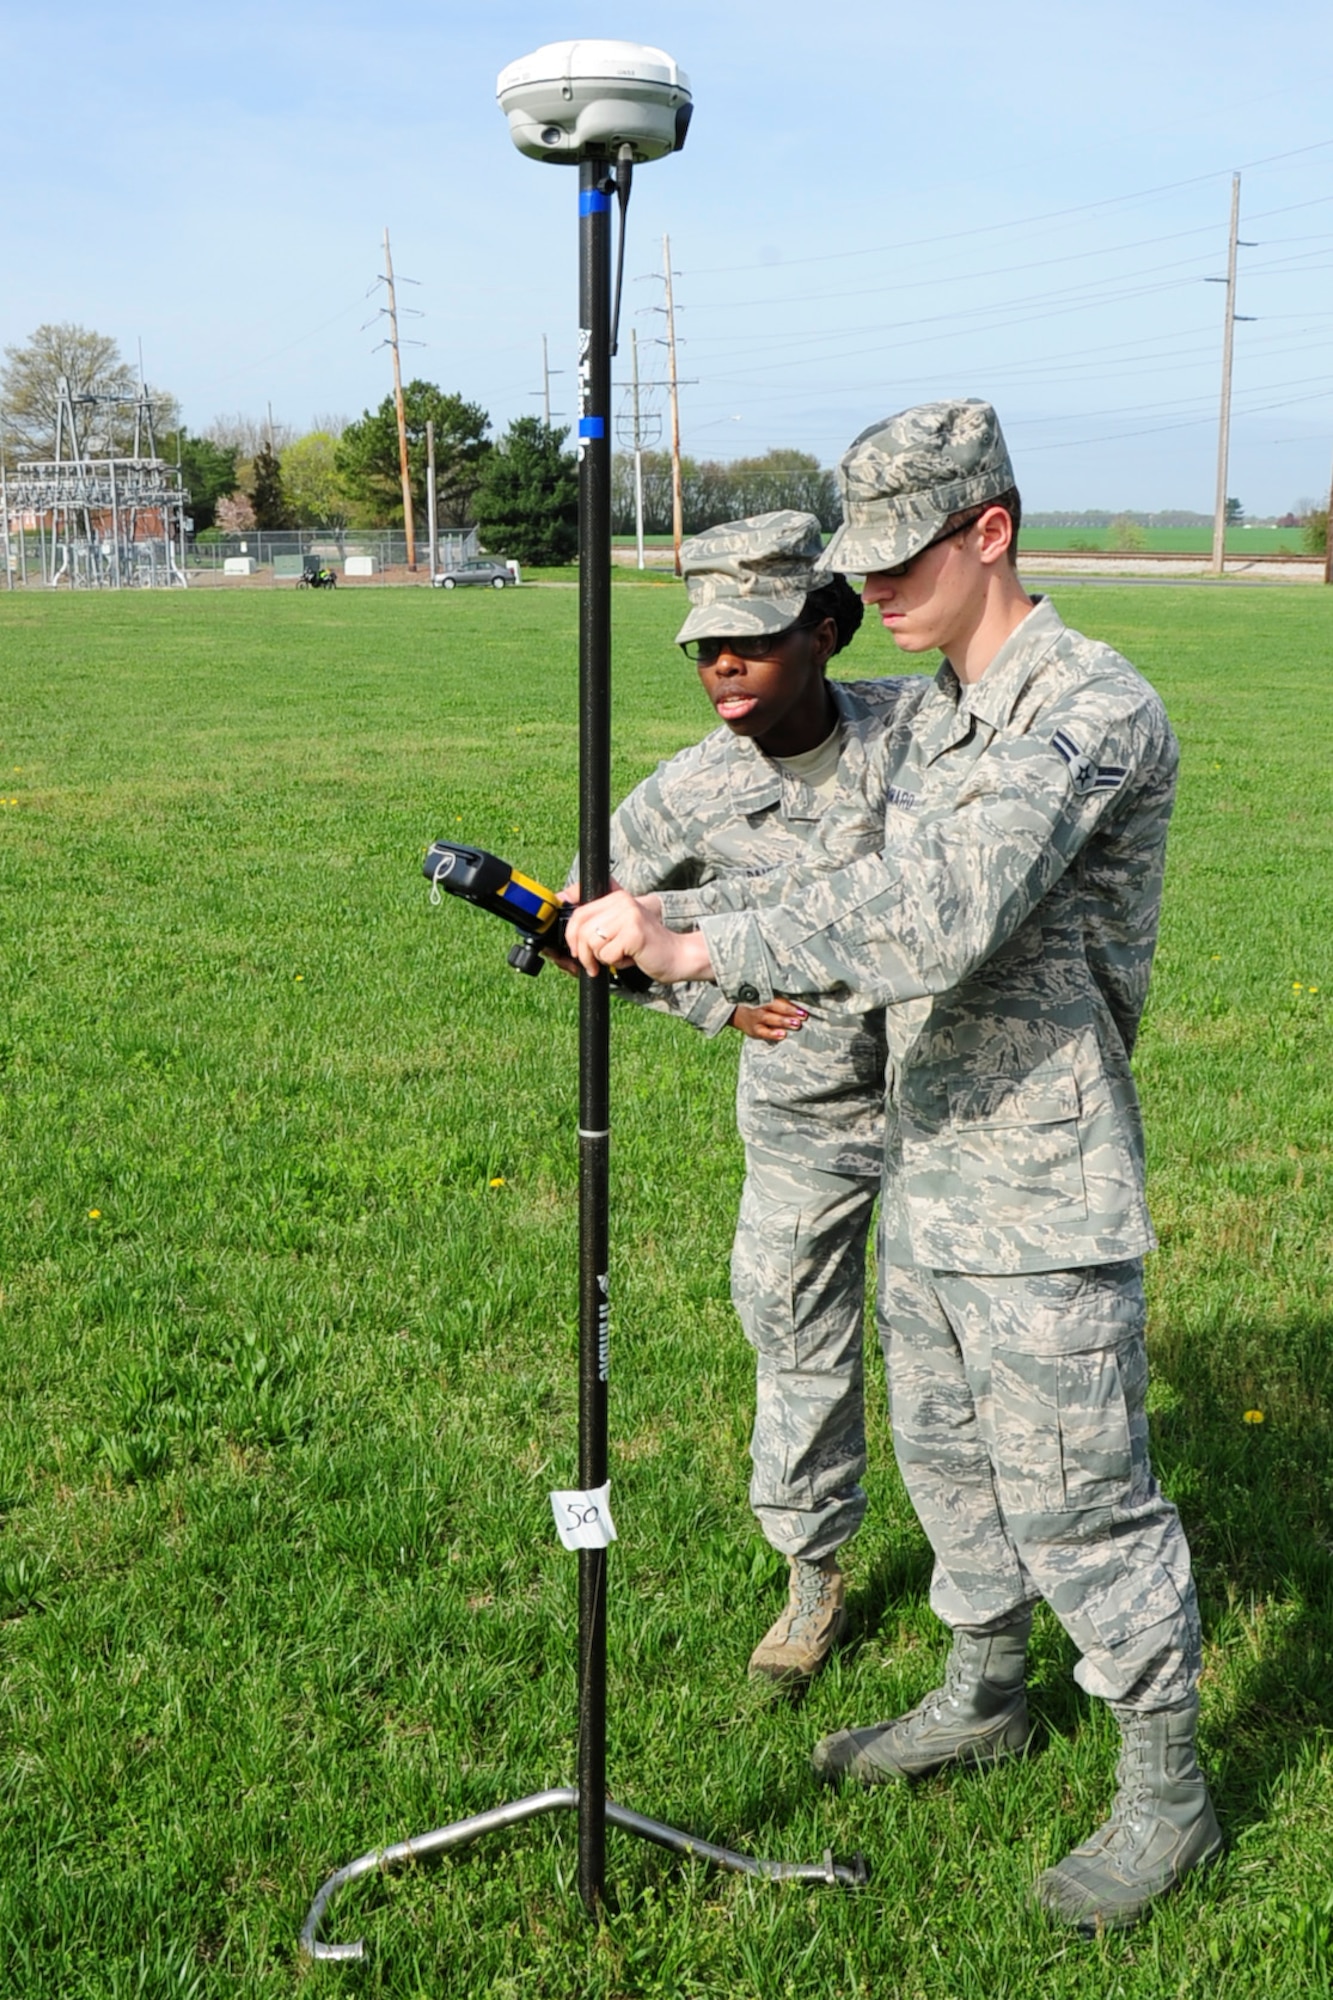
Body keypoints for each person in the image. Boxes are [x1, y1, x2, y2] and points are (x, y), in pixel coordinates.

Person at [565, 402, 1220, 1931]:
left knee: (1079, 1499)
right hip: (930, 1155)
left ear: (989, 531)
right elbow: (804, 822)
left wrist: (700, 938)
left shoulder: (1084, 712)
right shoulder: (932, 714)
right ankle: (987, 1686)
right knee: (951, 1461)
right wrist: (668, 942)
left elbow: (940, 905)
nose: (876, 589)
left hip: (1042, 1178)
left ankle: (1166, 1785)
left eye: (898, 557)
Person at [579, 509, 929, 1686]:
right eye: (702, 647)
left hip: (957, 1101)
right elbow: (580, 915)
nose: (721, 667)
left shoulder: (922, 733)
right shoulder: (688, 794)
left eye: (752, 639)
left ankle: (990, 1577)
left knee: (957, 1343)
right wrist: (711, 1003)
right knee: (796, 1329)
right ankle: (812, 1568)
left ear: (826, 629)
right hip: (806, 1108)